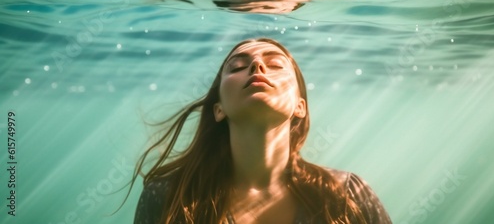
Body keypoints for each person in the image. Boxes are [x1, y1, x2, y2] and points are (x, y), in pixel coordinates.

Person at [131, 37, 392, 223]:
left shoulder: (347, 193)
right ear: (218, 109)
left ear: (299, 106)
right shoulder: (167, 196)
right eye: (236, 67)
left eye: (276, 65)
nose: (257, 65)